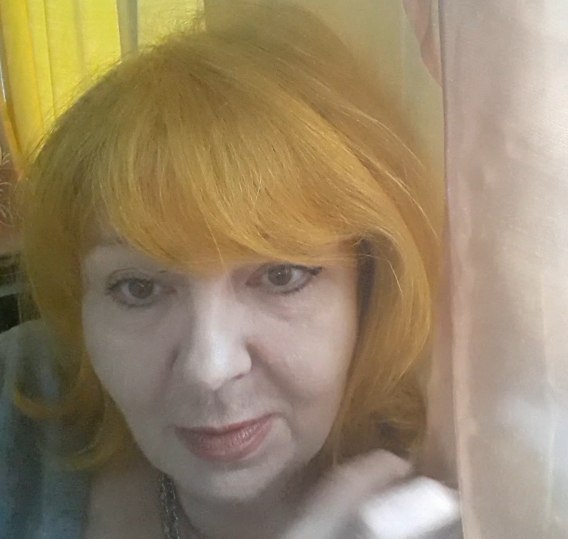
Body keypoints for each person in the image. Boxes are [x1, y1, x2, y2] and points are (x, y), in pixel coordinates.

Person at [0, 3, 460, 538]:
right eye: (138, 288)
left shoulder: (479, 483)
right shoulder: (20, 402)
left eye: (281, 277)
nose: (209, 369)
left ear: (369, 286)